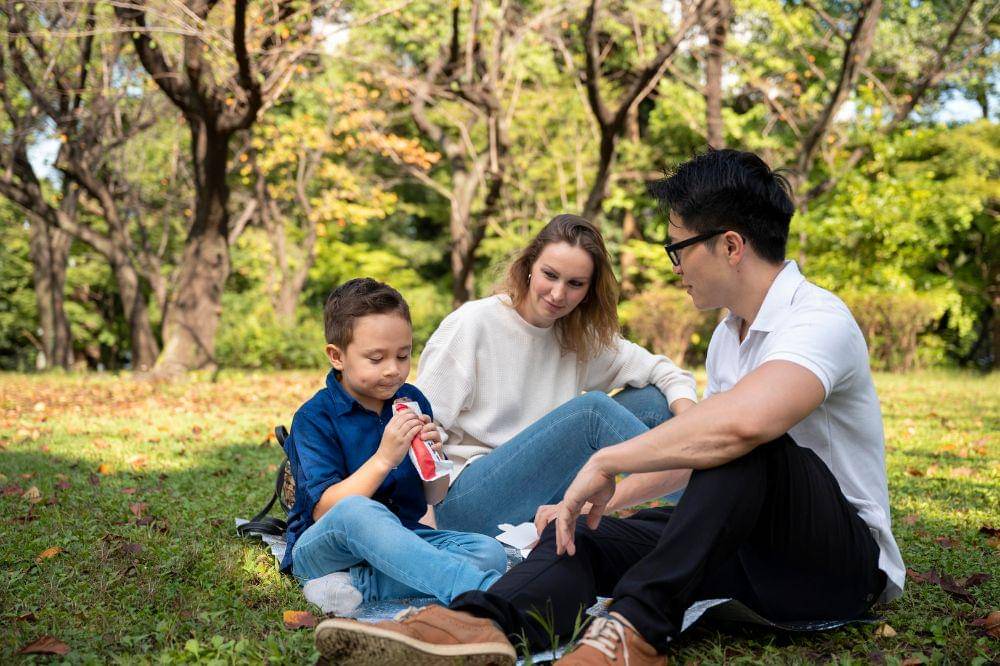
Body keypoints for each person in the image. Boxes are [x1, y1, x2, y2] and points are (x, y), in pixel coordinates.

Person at [314, 149, 905, 665]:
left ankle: (632, 633)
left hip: (836, 565)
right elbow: (702, 454)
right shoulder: (731, 334)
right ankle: (476, 624)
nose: (674, 267)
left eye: (677, 247)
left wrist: (605, 464)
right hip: (744, 550)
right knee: (579, 533)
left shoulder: (817, 321)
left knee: (748, 439)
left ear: (729, 246)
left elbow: (743, 431)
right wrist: (594, 500)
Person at [415, 214, 699, 537]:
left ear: (588, 291)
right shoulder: (473, 324)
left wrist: (690, 422)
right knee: (592, 412)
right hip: (468, 502)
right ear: (530, 265)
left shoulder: (576, 336)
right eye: (550, 275)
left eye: (575, 284)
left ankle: (707, 486)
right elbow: (419, 425)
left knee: (653, 400)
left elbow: (666, 372)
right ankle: (712, 485)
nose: (558, 294)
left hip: (544, 491)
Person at [281, 278, 508, 619]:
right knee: (360, 511)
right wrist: (384, 458)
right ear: (337, 356)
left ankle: (359, 587)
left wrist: (434, 457)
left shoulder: (412, 400)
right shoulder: (315, 417)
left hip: (400, 540)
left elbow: (434, 496)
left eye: (403, 355)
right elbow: (326, 511)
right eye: (376, 358)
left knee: (489, 551)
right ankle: (485, 591)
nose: (393, 369)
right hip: (324, 548)